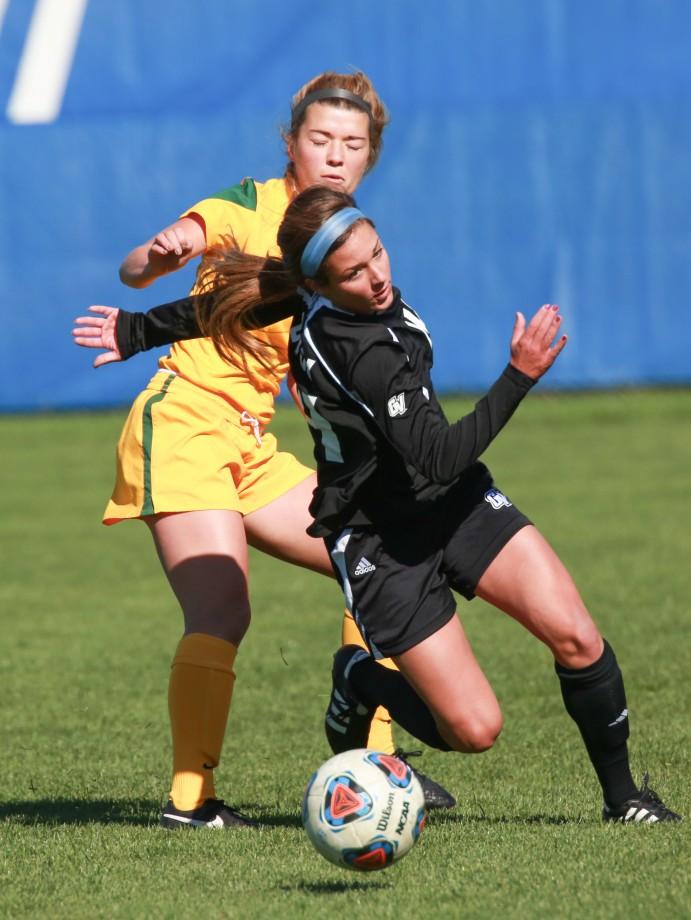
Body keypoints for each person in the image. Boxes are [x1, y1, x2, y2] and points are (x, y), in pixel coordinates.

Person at [93, 184, 680, 824]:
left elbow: (234, 306)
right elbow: (439, 455)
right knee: (475, 730)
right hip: (381, 542)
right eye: (354, 271)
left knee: (576, 633)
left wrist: (136, 329)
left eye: (377, 253)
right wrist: (520, 376)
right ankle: (360, 680)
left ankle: (625, 800)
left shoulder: (309, 290)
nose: (376, 278)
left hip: (452, 504)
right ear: (320, 284)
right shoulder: (357, 350)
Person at [81, 71, 455, 829]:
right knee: (223, 607)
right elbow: (150, 258)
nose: (334, 155)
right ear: (291, 145)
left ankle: (375, 760)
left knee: (376, 558)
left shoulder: (342, 241)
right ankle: (191, 803)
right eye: (319, 140)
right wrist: (165, 249)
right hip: (184, 423)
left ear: (369, 156)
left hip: (251, 446)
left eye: (351, 144)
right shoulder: (251, 204)